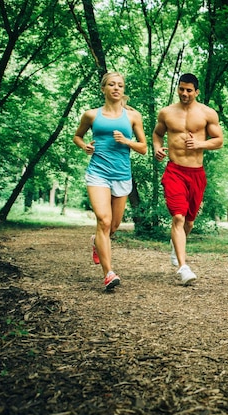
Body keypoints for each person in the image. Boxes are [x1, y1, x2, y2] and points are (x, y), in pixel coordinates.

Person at [73, 72, 147, 290]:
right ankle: (108, 274)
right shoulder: (91, 115)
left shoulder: (133, 117)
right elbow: (77, 136)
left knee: (113, 225)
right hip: (98, 173)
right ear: (103, 89)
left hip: (122, 175)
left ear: (123, 90)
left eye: (120, 85)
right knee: (104, 221)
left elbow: (143, 148)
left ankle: (98, 243)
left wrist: (127, 141)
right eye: (112, 85)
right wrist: (84, 146)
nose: (116, 88)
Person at [153, 73, 224, 285]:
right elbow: (157, 134)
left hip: (196, 173)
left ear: (197, 92)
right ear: (178, 89)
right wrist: (157, 148)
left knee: (189, 222)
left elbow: (219, 141)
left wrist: (200, 144)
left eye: (189, 90)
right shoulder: (166, 113)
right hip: (174, 170)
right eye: (181, 89)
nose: (185, 93)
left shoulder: (207, 113)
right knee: (178, 217)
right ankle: (183, 268)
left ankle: (177, 245)